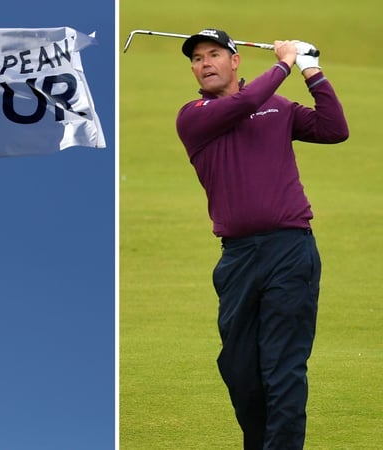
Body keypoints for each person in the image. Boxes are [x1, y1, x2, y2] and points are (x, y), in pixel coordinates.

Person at [176, 29, 349, 449]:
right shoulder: (194, 115)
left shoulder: (277, 106)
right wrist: (284, 61)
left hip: (290, 250)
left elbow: (334, 128)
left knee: (283, 365)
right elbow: (246, 102)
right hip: (237, 259)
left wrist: (310, 68)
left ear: (235, 61)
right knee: (239, 368)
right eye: (197, 58)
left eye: (214, 54)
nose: (204, 63)